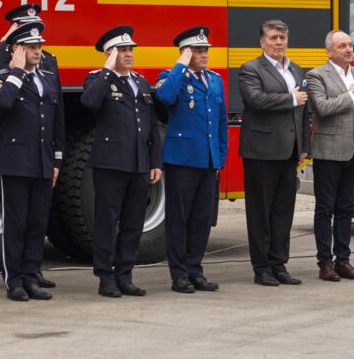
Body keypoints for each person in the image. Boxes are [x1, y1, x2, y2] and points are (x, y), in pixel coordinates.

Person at [0, 3, 60, 290]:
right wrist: (14, 67)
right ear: (17, 46)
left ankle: (31, 274)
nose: (39, 50)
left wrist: (57, 159)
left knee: (38, 221)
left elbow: (57, 117)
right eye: (31, 44)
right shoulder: (4, 68)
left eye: (39, 44)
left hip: (42, 158)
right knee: (16, 222)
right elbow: (2, 100)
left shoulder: (48, 71)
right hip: (16, 157)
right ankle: (14, 280)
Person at [81, 26, 163, 298]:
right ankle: (105, 277)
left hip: (139, 163)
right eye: (122, 50)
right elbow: (90, 102)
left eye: (130, 49)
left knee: (133, 223)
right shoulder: (98, 79)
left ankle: (125, 275)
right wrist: (107, 71)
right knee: (107, 222)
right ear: (109, 54)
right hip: (110, 164)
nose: (129, 54)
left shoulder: (140, 82)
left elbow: (151, 126)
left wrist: (155, 161)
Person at [155, 26, 227, 294]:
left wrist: (220, 156)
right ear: (185, 52)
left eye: (205, 49)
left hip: (207, 160)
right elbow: (164, 96)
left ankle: (195, 270)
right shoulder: (172, 77)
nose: (204, 54)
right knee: (179, 219)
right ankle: (179, 274)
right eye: (197, 50)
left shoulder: (215, 80)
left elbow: (220, 122)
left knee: (201, 219)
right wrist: (181, 65)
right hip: (182, 160)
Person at [238, 19, 309, 287]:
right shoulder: (251, 69)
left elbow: (303, 111)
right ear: (262, 42)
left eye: (282, 38)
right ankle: (262, 268)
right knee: (260, 212)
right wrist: (290, 98)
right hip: (261, 151)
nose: (279, 42)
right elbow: (256, 100)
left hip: (289, 152)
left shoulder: (297, 70)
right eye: (273, 38)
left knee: (283, 212)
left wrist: (303, 146)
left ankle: (279, 264)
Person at [306, 30, 354, 282]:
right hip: (328, 152)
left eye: (350, 45)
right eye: (342, 46)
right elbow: (322, 108)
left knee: (346, 208)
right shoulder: (316, 75)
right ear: (329, 51)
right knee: (325, 209)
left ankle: (343, 260)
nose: (348, 50)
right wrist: (350, 96)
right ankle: (325, 263)